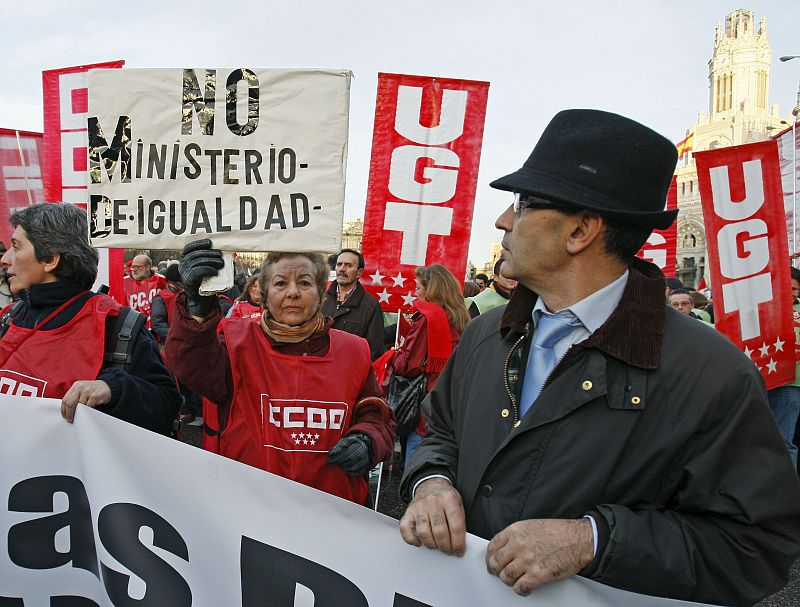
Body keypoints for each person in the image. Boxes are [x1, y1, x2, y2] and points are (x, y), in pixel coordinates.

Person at [398, 109, 800, 606]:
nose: (503, 220)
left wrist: (594, 540)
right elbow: (440, 433)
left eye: (523, 204)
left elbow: (752, 548)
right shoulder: (486, 335)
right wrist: (431, 482)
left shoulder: (710, 373)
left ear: (580, 232)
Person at [165, 240, 396, 505]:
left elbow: (377, 416)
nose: (293, 292)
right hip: (250, 509)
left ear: (322, 294)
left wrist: (367, 440)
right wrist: (197, 307)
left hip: (332, 514)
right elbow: (191, 364)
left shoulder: (354, 351)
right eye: (281, 283)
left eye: (305, 283)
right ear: (263, 293)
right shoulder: (234, 343)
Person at [0, 203, 180, 434]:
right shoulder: (9, 316)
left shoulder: (116, 326)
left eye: (16, 247)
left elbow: (166, 405)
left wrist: (113, 389)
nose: (5, 258)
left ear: (50, 260)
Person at [384, 264, 469, 465]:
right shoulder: (460, 317)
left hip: (424, 405)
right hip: (448, 400)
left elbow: (408, 364)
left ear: (431, 289)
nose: (415, 291)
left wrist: (394, 353)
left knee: (415, 461)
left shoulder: (428, 318)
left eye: (418, 287)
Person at [321, 248, 385, 361]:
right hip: (318, 370)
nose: (342, 269)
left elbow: (375, 350)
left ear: (359, 272)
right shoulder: (320, 299)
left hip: (349, 372)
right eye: (339, 264)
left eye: (348, 265)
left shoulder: (371, 306)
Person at [766, 266, 800, 467]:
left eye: (794, 289)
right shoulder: (762, 308)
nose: (789, 292)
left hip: (790, 383)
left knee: (783, 441)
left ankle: (785, 493)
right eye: (785, 287)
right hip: (761, 379)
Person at [122, 253, 166, 326]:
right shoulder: (124, 282)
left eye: (138, 267)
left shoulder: (161, 280)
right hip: (132, 327)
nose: (134, 270)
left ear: (148, 267)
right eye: (133, 267)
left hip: (156, 327)